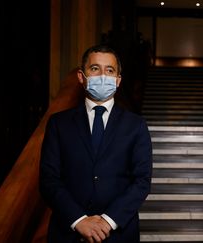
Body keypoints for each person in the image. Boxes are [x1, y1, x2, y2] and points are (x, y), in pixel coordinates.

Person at [39, 44, 152, 243]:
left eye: (110, 70)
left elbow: (142, 181)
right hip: (68, 233)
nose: (103, 75)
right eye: (95, 68)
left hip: (119, 234)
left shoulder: (136, 125)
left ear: (118, 80)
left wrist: (108, 221)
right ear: (82, 77)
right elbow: (49, 179)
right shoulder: (58, 124)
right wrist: (79, 220)